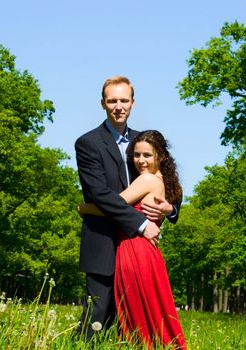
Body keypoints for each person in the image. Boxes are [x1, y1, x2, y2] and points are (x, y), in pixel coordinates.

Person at [74, 76, 179, 339]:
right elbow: (101, 195)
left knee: (132, 322)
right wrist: (141, 223)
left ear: (132, 103)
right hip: (103, 242)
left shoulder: (142, 142)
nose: (118, 106)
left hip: (136, 248)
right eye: (112, 101)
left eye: (124, 100)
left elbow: (166, 177)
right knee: (97, 314)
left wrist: (170, 208)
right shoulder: (88, 143)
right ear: (103, 104)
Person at [78, 130, 187, 349]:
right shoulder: (169, 182)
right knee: (151, 312)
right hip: (148, 252)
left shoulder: (146, 179)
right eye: (136, 155)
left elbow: (114, 206)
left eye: (147, 155)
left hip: (134, 249)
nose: (140, 161)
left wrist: (83, 208)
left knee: (136, 313)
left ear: (160, 156)